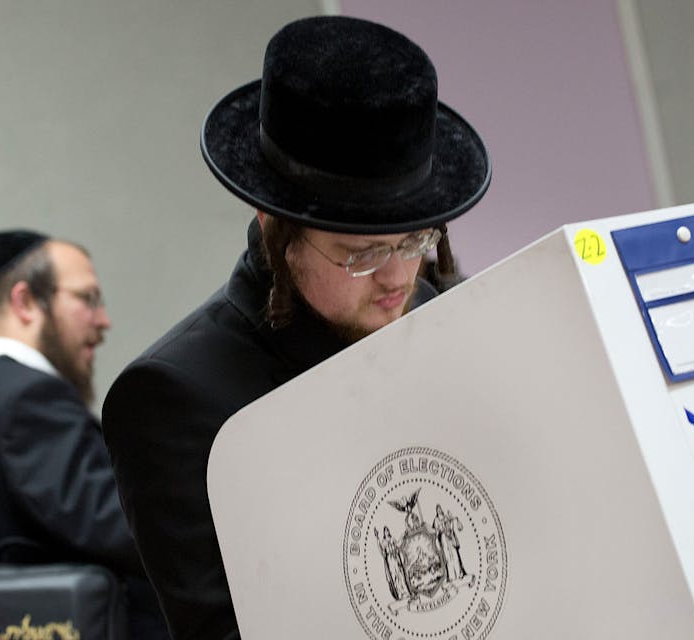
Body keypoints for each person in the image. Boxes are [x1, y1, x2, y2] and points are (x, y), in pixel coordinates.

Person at [101, 15, 490, 640]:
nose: (398, 278)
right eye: (360, 253)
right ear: (272, 224)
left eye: (416, 240)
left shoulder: (450, 311)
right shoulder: (172, 399)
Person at [0, 230, 166, 638]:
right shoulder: (29, 399)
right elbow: (135, 534)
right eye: (87, 298)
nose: (103, 320)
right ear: (25, 302)